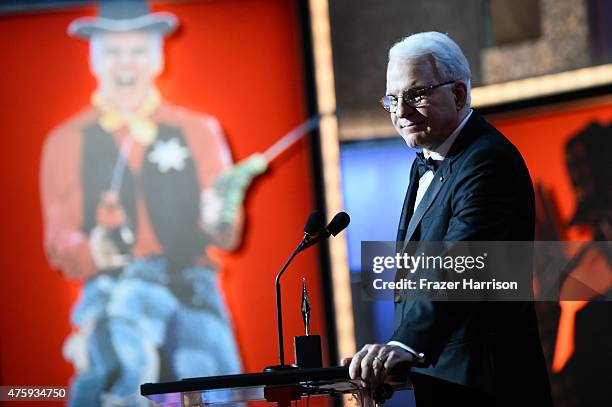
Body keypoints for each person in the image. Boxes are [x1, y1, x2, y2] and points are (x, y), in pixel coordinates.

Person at [40, 1, 259, 405]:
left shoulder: (199, 130)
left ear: (157, 57)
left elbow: (226, 234)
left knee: (218, 392)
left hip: (190, 289)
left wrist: (219, 215)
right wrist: (92, 250)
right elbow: (59, 239)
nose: (126, 63)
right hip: (112, 292)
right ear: (94, 59)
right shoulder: (66, 141)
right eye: (114, 51)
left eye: (138, 50)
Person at [346, 32, 552, 406]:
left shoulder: (487, 160)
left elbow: (461, 265)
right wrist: (387, 359)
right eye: (393, 99)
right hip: (444, 381)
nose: (401, 112)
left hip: (487, 384)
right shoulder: (426, 159)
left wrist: (403, 342)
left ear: (458, 94)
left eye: (416, 95)